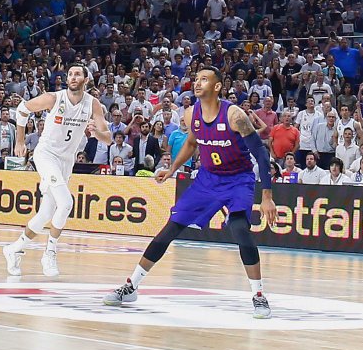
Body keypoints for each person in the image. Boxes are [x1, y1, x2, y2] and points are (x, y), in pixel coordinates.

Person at [107, 66, 277, 319]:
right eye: (196, 79)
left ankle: (259, 296)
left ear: (217, 87)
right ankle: (131, 286)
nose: (197, 83)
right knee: (171, 227)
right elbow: (191, 142)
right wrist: (173, 168)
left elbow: (261, 154)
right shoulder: (190, 113)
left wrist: (267, 196)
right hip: (207, 179)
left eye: (204, 79)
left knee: (240, 228)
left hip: (237, 180)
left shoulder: (234, 115)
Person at [3, 64, 111, 277]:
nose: (72, 77)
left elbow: (107, 137)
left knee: (45, 213)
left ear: (86, 80)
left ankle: (13, 249)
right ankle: (50, 252)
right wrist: (20, 140)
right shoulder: (54, 98)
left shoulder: (93, 104)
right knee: (67, 202)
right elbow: (23, 109)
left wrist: (95, 132)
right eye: (70, 74)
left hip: (66, 161)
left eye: (77, 74)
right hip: (46, 155)